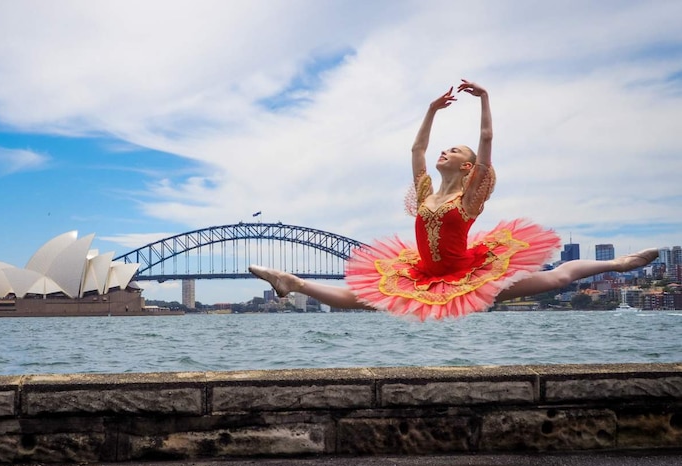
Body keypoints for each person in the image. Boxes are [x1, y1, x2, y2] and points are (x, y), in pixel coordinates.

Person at [249, 79, 658, 321]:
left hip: (468, 275)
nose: (446, 152)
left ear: (468, 168)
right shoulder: (426, 195)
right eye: (446, 149)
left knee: (556, 278)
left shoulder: (468, 200)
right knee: (364, 299)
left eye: (455, 151)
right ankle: (292, 282)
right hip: (424, 273)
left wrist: (484, 99)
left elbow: (487, 140)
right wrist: (431, 110)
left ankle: (618, 263)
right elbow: (416, 151)